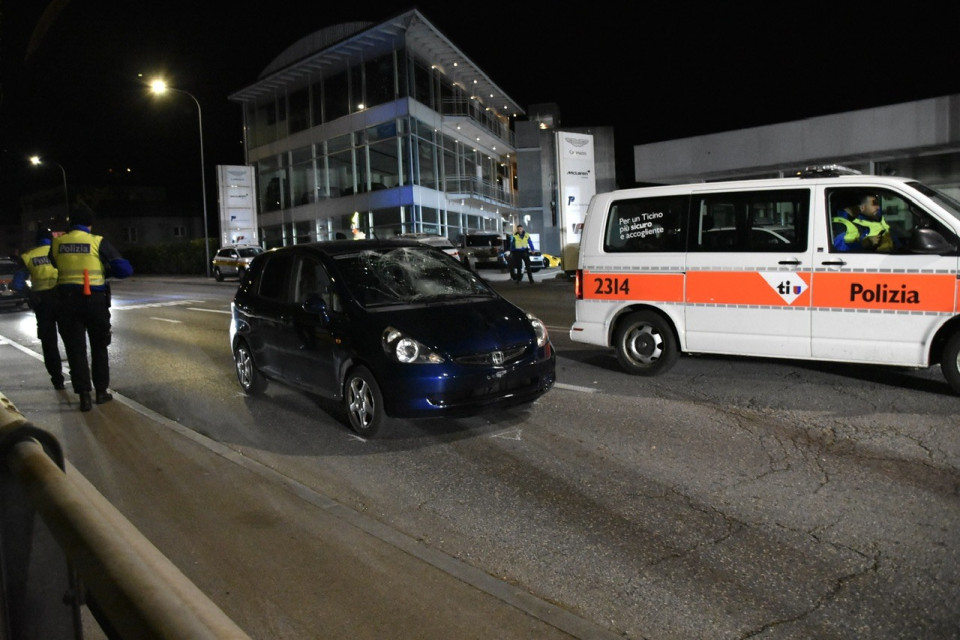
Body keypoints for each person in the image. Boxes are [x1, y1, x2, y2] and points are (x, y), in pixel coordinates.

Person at [50, 209, 133, 412]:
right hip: (95, 301)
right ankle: (101, 392)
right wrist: (107, 269)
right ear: (89, 225)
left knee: (76, 350)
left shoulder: (58, 243)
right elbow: (125, 269)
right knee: (99, 347)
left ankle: (84, 396)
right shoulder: (97, 242)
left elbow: (54, 264)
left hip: (68, 302)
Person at [12, 227, 65, 390]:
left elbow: (17, 283)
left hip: (42, 303)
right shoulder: (60, 252)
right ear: (51, 239)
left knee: (49, 343)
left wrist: (29, 294)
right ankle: (81, 381)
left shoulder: (29, 256)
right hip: (63, 300)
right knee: (72, 340)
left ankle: (57, 380)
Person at [832, 192, 897, 252]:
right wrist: (865, 243)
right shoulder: (840, 224)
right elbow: (839, 251)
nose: (861, 209)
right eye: (859, 205)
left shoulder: (849, 221)